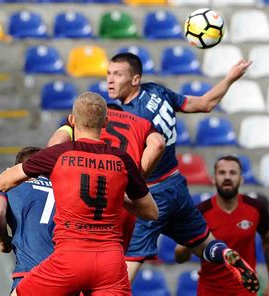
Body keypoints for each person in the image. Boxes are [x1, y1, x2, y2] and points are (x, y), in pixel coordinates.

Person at [106, 52, 259, 293]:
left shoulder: (131, 116)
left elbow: (145, 154)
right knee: (203, 245)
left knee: (126, 268)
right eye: (108, 74)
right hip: (177, 186)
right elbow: (205, 103)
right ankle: (226, 252)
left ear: (135, 79)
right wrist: (229, 78)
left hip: (152, 193)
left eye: (118, 74)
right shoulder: (157, 91)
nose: (110, 80)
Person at [0, 92, 159, 295]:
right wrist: (117, 197)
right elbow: (151, 212)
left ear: (72, 120)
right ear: (106, 122)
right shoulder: (122, 160)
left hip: (70, 259)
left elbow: (2, 183)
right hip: (110, 263)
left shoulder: (57, 154)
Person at [48, 103, 166, 251]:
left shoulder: (83, 120)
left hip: (82, 194)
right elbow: (158, 144)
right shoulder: (140, 123)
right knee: (113, 258)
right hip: (123, 199)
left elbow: (54, 145)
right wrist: (137, 180)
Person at [175, 155, 269, 296]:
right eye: (222, 173)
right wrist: (191, 242)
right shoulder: (200, 212)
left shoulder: (256, 208)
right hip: (209, 292)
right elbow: (179, 257)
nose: (227, 177)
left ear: (241, 179)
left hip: (245, 293)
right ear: (213, 179)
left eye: (233, 173)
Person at [0, 147, 56, 293]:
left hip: (30, 275)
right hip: (65, 276)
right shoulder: (66, 189)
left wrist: (4, 241)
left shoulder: (8, 187)